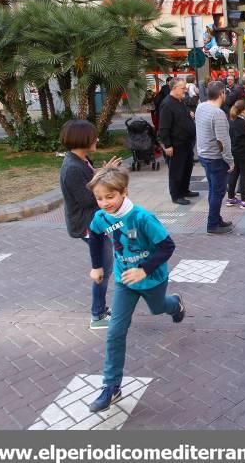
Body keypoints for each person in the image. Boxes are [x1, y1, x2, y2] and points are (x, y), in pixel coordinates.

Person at [86, 166, 185, 412]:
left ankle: (176, 304)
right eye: (99, 198)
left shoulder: (142, 218)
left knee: (159, 307)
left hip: (152, 278)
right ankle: (111, 386)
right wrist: (97, 266)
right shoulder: (101, 218)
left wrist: (144, 269)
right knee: (115, 332)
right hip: (125, 281)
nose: (105, 203)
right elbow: (95, 236)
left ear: (124, 192)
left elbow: (167, 246)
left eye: (110, 196)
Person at [59, 120, 120, 330]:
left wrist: (105, 172)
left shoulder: (81, 160)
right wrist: (107, 180)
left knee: (105, 264)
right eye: (94, 136)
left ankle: (100, 310)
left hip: (94, 222)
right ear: (82, 139)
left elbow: (93, 186)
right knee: (102, 267)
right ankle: (98, 314)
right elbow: (89, 199)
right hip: (87, 225)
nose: (97, 139)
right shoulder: (72, 168)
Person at [195, 82, 235, 235]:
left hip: (204, 155)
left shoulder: (201, 106)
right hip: (216, 158)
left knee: (213, 190)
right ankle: (212, 225)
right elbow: (223, 141)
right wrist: (230, 161)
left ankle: (216, 219)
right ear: (221, 94)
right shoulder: (217, 113)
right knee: (218, 192)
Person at [158, 78, 198, 206]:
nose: (185, 90)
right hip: (176, 143)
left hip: (187, 142)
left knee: (187, 167)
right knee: (177, 170)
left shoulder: (180, 101)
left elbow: (183, 115)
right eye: (182, 88)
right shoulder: (167, 104)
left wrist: (190, 114)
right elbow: (164, 127)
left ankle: (185, 190)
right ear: (174, 88)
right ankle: (176, 195)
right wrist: (168, 145)